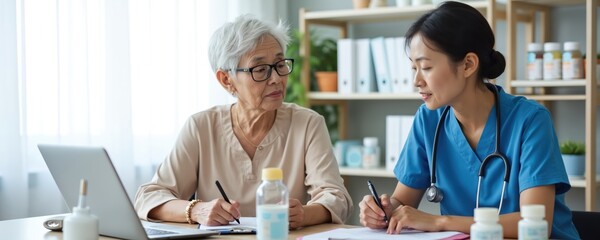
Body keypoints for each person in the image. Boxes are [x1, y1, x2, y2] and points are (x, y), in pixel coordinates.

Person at [358, 1, 579, 239]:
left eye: (427, 67)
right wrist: (383, 211)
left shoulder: (530, 120)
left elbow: (537, 222)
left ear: (468, 64)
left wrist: (439, 221)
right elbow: (401, 201)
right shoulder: (428, 120)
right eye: (414, 68)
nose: (417, 81)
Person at [134, 14, 352, 229]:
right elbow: (149, 197)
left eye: (280, 64)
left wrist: (304, 214)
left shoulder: (307, 124)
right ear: (226, 80)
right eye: (260, 70)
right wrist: (196, 210)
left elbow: (337, 198)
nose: (276, 78)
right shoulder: (201, 127)